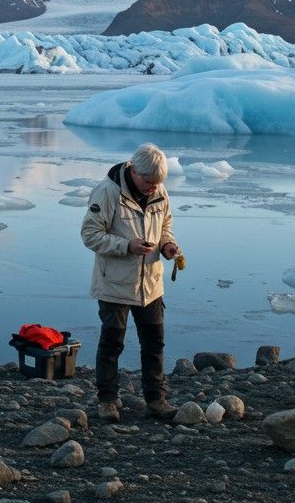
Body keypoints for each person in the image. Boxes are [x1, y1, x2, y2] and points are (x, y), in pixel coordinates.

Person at [81, 143, 183, 422]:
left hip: (150, 286)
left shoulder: (159, 191)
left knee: (154, 344)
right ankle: (107, 401)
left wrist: (168, 246)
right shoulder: (107, 192)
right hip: (114, 285)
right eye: (149, 182)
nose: (153, 188)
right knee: (112, 344)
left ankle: (156, 399)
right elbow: (90, 234)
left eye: (157, 183)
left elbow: (165, 226)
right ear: (134, 170)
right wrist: (127, 246)